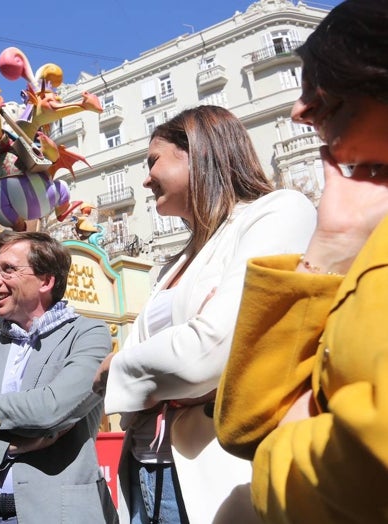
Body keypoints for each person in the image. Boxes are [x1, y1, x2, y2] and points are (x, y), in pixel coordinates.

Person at [91, 105, 317, 524]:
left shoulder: (278, 211)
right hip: (145, 471)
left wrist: (117, 369)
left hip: (217, 475)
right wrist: (172, 370)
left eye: (152, 161)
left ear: (196, 151)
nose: (145, 178)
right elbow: (185, 355)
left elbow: (210, 353)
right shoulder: (174, 263)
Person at [215, 2, 388, 522]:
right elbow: (245, 422)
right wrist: (331, 245)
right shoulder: (362, 237)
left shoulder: (279, 210)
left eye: (322, 90)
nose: (298, 112)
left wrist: (284, 445)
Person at [0, 231, 118, 524]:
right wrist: (1, 448)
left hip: (52, 514)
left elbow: (52, 409)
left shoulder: (88, 335)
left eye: (7, 269)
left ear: (46, 281)